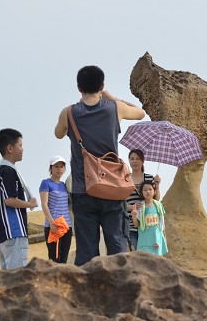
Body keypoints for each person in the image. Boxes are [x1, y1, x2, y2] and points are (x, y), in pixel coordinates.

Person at [54, 65, 145, 266]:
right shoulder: (115, 108)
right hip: (112, 188)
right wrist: (112, 98)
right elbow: (140, 113)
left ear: (79, 87)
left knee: (86, 250)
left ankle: (87, 295)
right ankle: (118, 292)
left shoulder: (68, 113)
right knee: (116, 246)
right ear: (102, 85)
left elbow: (58, 133)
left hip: (82, 189)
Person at [0, 128, 38, 270]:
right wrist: (29, 203)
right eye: (20, 145)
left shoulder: (3, 170)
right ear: (10, 148)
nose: (23, 149)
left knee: (8, 279)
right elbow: (10, 200)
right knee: (17, 276)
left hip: (5, 234)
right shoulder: (8, 171)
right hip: (14, 231)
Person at [125, 149, 162, 251]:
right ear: (129, 160)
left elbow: (156, 200)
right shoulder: (125, 179)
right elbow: (120, 203)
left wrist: (157, 186)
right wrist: (132, 207)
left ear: (142, 161)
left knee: (149, 255)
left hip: (148, 225)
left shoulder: (149, 178)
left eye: (138, 158)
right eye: (132, 159)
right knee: (136, 254)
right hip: (132, 224)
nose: (135, 161)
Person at [39, 155, 73, 264]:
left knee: (64, 259)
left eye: (62, 167)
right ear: (51, 168)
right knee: (54, 259)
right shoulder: (46, 183)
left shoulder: (64, 185)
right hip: (53, 226)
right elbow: (44, 205)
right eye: (56, 166)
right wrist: (52, 223)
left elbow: (67, 205)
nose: (59, 169)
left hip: (66, 226)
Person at [131, 180, 168, 255]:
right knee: (144, 260)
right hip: (144, 240)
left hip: (157, 239)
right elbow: (136, 225)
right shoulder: (140, 207)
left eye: (150, 189)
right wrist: (134, 216)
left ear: (154, 191)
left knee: (158, 261)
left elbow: (162, 224)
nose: (148, 191)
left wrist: (165, 237)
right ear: (142, 192)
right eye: (145, 190)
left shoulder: (159, 206)